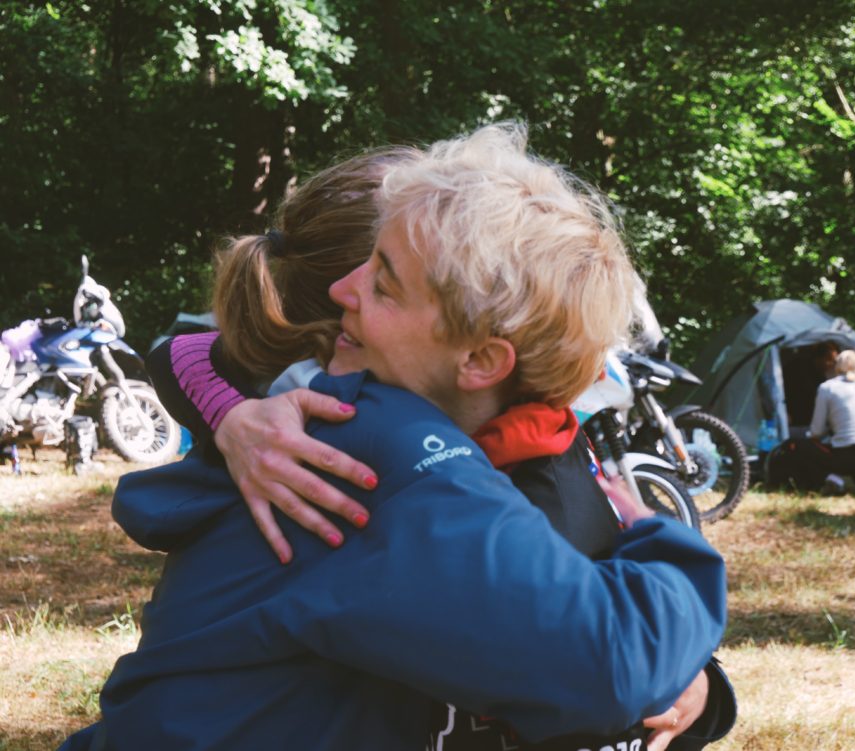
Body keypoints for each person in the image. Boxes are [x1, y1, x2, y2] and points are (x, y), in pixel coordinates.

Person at [61, 124, 729, 751]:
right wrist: (677, 559)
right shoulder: (372, 441)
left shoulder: (369, 425)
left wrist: (702, 687)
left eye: (383, 281)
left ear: (481, 360)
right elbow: (609, 669)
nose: (345, 288)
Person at [806, 349, 855, 494]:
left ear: (837, 365)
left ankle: (834, 479)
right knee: (853, 445)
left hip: (845, 456)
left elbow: (817, 431)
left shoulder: (827, 388)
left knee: (805, 446)